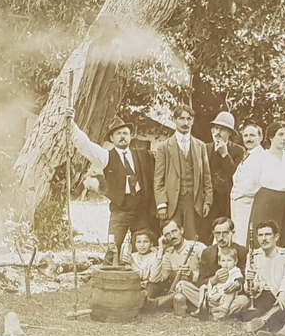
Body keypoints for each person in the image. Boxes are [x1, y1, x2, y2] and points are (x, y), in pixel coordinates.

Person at [66, 108, 156, 245]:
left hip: (141, 209)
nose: (122, 136)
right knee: (113, 248)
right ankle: (110, 265)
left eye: (125, 133)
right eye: (118, 133)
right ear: (112, 138)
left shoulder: (142, 155)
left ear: (130, 136)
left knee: (142, 247)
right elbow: (86, 146)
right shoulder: (107, 156)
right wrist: (72, 125)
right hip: (120, 210)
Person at [154, 104, 212, 240]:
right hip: (172, 201)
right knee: (171, 236)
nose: (185, 123)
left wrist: (207, 201)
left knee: (192, 238)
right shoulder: (164, 147)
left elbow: (206, 177)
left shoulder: (200, 146)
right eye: (181, 118)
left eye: (188, 119)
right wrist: (161, 204)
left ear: (192, 121)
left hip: (194, 201)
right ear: (175, 120)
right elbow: (158, 179)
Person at [177, 217, 250, 317]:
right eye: (217, 233)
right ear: (213, 233)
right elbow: (200, 281)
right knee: (182, 285)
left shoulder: (242, 251)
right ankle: (217, 310)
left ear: (232, 232)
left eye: (225, 233)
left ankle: (208, 309)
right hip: (211, 294)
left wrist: (238, 283)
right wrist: (213, 280)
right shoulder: (207, 252)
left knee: (244, 301)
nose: (221, 237)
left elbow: (245, 277)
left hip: (229, 297)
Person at [240, 220, 285, 336]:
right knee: (250, 314)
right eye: (260, 235)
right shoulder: (253, 255)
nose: (264, 239)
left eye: (267, 234)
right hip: (262, 296)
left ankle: (264, 320)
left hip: (280, 295)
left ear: (276, 237)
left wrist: (282, 292)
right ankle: (266, 322)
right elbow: (251, 287)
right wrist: (250, 283)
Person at [246, 123, 285, 252]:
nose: (284, 138)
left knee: (283, 240)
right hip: (266, 202)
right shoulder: (260, 158)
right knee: (265, 238)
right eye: (280, 134)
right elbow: (250, 184)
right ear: (271, 137)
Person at [143, 220, 206, 310]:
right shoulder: (168, 253)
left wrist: (192, 275)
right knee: (151, 285)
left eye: (174, 231)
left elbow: (210, 274)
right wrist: (161, 250)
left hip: (196, 289)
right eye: (167, 234)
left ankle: (152, 304)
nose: (172, 236)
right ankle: (146, 300)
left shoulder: (198, 247)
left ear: (181, 230)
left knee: (182, 289)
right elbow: (155, 278)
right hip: (177, 290)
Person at [202, 112, 245, 239]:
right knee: (206, 233)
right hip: (208, 200)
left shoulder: (239, 150)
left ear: (230, 133)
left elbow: (236, 175)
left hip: (227, 201)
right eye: (215, 129)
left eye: (222, 129)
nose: (217, 133)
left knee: (225, 234)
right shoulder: (205, 148)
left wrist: (225, 155)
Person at [230, 123, 264, 245]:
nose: (248, 139)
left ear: (260, 137)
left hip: (249, 204)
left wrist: (240, 194)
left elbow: (257, 183)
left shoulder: (261, 157)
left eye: (252, 135)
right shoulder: (248, 155)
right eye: (246, 136)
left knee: (245, 238)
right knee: (238, 236)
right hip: (238, 205)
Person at [194, 247, 245, 320]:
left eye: (229, 260)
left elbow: (238, 279)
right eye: (223, 261)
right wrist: (213, 285)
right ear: (219, 262)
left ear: (235, 261)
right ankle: (200, 307)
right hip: (214, 296)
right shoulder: (219, 271)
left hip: (225, 298)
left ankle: (223, 309)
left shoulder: (235, 270)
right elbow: (213, 285)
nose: (226, 264)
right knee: (203, 287)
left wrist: (237, 282)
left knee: (231, 291)